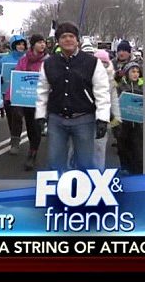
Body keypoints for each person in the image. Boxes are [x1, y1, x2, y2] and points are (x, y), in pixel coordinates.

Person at [35, 22, 110, 172]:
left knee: (85, 163)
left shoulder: (93, 63)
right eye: (63, 37)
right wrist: (40, 115)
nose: (68, 39)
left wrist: (102, 118)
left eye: (71, 36)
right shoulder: (49, 64)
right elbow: (42, 91)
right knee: (54, 162)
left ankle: (85, 192)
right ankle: (58, 191)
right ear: (58, 41)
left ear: (77, 40)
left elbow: (102, 91)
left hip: (84, 119)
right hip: (57, 119)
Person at [10, 33, 49, 171]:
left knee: (36, 129)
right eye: (39, 42)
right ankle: (28, 146)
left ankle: (32, 154)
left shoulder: (48, 60)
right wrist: (13, 98)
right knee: (29, 126)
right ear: (33, 45)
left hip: (41, 101)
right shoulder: (24, 60)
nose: (42, 44)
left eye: (43, 42)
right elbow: (17, 78)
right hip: (25, 100)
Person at [0, 34, 27, 155]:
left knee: (18, 115)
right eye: (19, 44)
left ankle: (16, 142)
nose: (21, 46)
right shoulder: (4, 60)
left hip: (21, 92)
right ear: (14, 45)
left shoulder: (27, 59)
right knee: (11, 116)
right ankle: (14, 136)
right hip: (7, 93)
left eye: (23, 44)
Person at [116, 61, 143, 174]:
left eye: (137, 71)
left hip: (138, 124)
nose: (135, 74)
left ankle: (137, 172)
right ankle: (125, 169)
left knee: (138, 150)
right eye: (133, 71)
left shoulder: (142, 86)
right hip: (123, 124)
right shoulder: (120, 86)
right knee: (123, 149)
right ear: (127, 73)